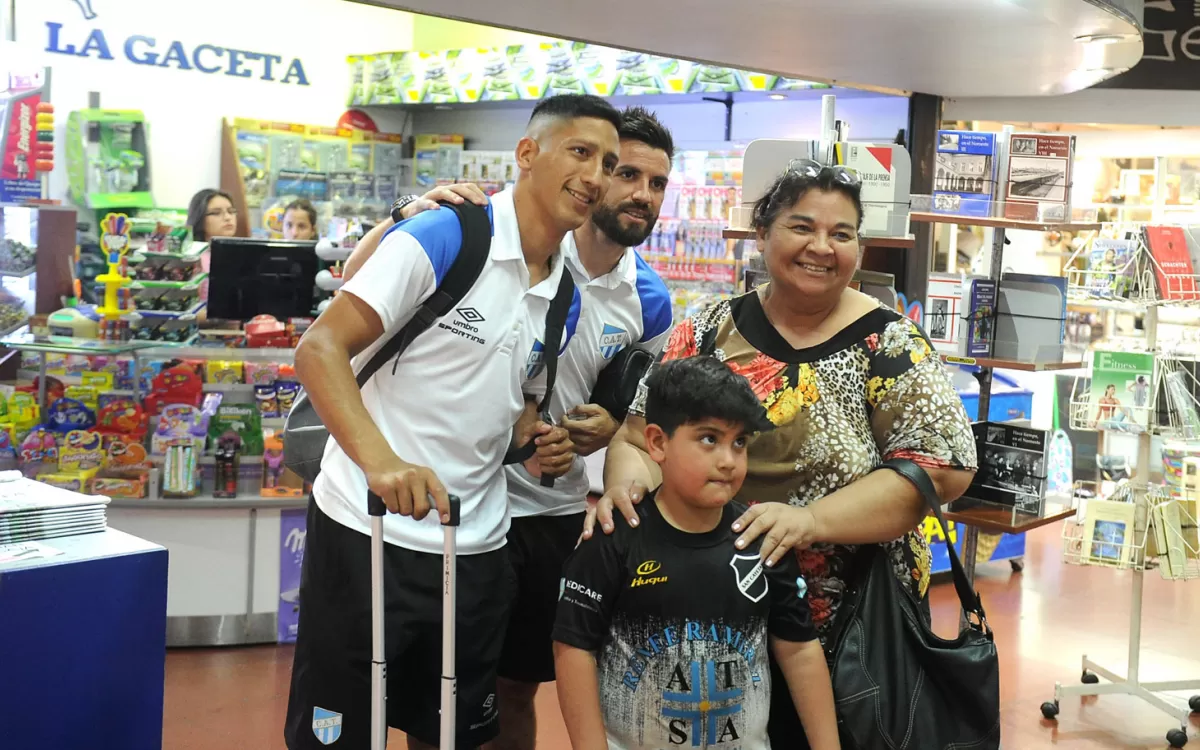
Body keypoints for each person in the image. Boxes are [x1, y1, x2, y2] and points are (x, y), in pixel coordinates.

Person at [593, 162, 977, 747]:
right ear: (762, 233)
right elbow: (637, 438)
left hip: (852, 635)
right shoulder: (708, 331)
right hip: (704, 624)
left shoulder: (890, 342)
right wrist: (627, 492)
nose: (821, 247)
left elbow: (944, 468)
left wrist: (810, 521)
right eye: (802, 227)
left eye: (842, 233)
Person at [284, 93, 621, 750]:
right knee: (341, 733)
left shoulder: (564, 296)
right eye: (580, 152)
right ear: (528, 154)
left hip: (474, 549)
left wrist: (538, 442)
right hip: (366, 530)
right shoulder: (448, 234)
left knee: (453, 735)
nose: (596, 177)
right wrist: (382, 465)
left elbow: (515, 402)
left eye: (607, 162)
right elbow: (319, 349)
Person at [553, 356, 841, 750]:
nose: (728, 460)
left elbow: (799, 650)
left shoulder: (762, 539)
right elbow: (573, 650)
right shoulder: (613, 537)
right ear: (657, 442)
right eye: (709, 439)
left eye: (739, 442)